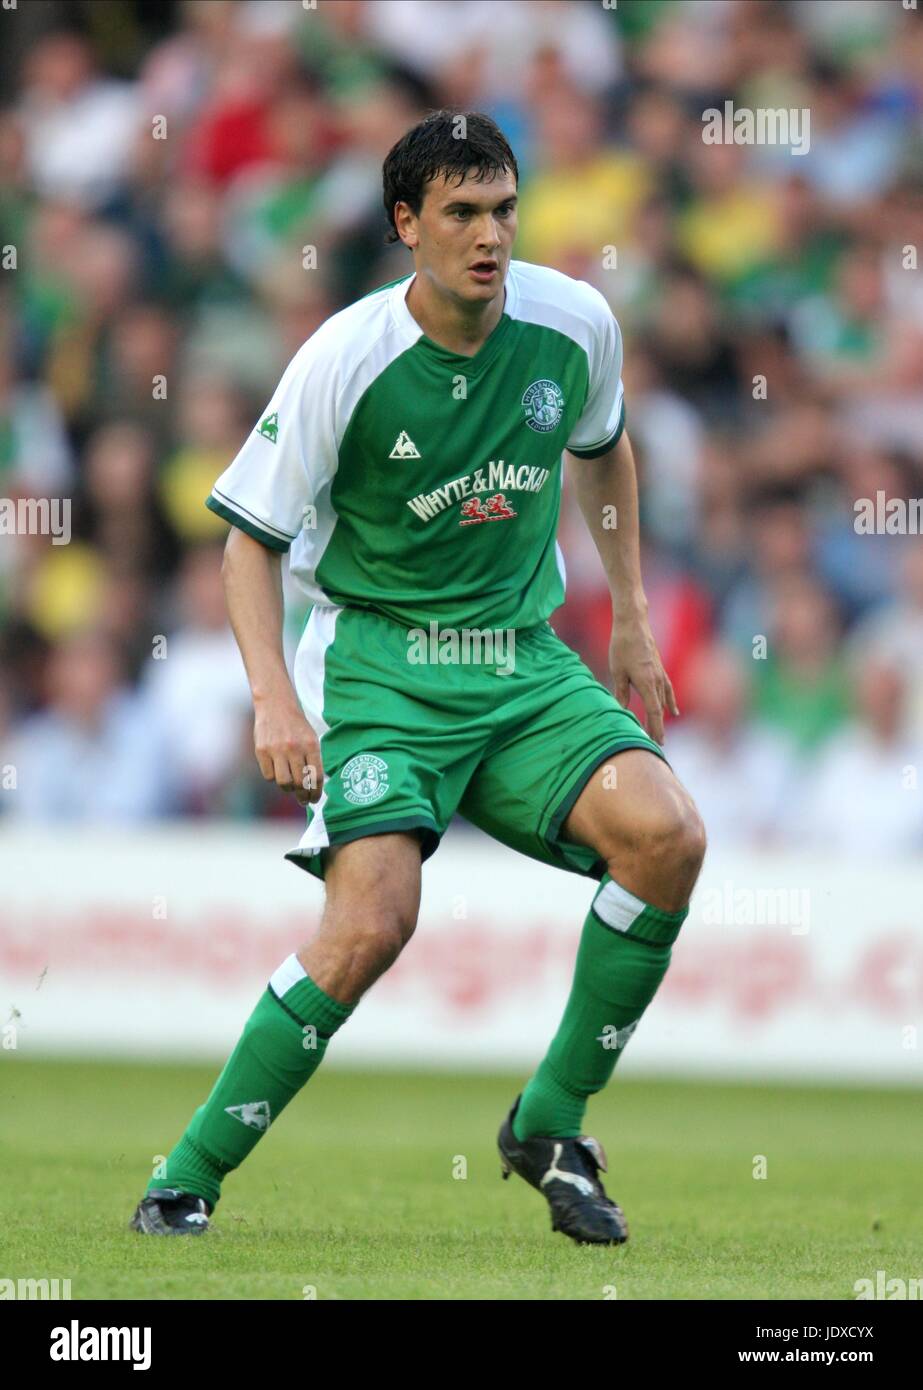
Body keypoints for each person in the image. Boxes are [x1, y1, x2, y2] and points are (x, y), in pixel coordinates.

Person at [130, 110, 706, 1246]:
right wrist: (272, 698)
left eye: (501, 209)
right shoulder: (343, 359)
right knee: (372, 924)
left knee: (668, 836)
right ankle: (185, 1177)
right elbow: (248, 538)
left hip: (518, 657)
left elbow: (604, 449)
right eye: (460, 213)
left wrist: (630, 612)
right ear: (406, 224)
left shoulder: (573, 321)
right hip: (381, 666)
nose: (489, 236)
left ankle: (549, 1123)